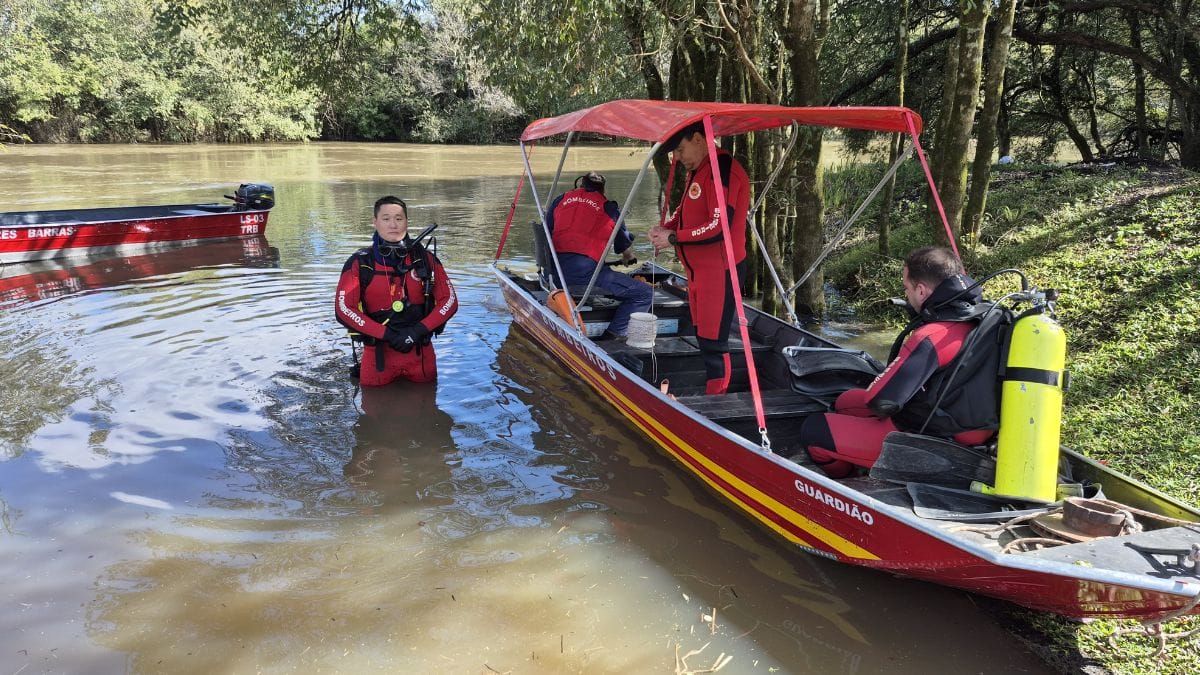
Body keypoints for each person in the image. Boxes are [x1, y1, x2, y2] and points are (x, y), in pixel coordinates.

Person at [797, 247, 995, 478]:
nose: (906, 294)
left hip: (935, 438)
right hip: (972, 425)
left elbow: (882, 401)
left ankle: (846, 480)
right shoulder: (985, 318)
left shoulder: (933, 335)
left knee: (814, 431)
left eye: (907, 287)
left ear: (921, 291)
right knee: (845, 401)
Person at [648, 122, 751, 395]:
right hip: (697, 273)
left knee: (714, 343)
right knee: (702, 336)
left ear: (698, 139)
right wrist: (668, 227)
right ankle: (710, 391)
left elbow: (718, 226)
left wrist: (674, 238)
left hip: (720, 271)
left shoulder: (722, 171)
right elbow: (685, 210)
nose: (678, 158)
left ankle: (715, 403)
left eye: (681, 150)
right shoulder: (698, 170)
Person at [335, 196, 458, 386]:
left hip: (421, 355)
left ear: (406, 222)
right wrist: (387, 335)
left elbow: (449, 301)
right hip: (377, 358)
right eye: (386, 219)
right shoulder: (360, 263)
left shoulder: (425, 259)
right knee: (374, 412)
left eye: (399, 218)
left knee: (428, 410)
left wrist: (417, 331)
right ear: (374, 222)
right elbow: (344, 310)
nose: (393, 224)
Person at [545, 171, 652, 340]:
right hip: (582, 276)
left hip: (552, 273)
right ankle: (614, 336)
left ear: (580, 185)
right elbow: (623, 244)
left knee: (596, 269)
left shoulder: (560, 200)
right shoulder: (608, 207)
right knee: (644, 293)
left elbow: (546, 231)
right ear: (602, 190)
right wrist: (627, 257)